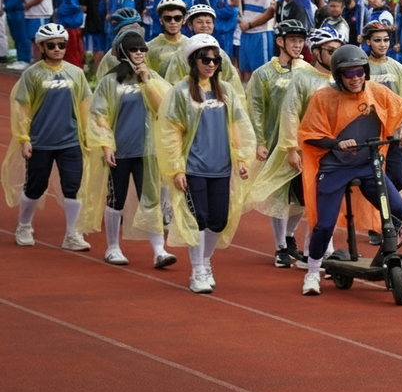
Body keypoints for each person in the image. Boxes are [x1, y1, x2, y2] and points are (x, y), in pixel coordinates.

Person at [296, 45, 402, 296]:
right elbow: (309, 135)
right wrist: (336, 143)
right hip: (334, 167)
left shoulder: (377, 92)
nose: (356, 78)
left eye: (360, 72)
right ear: (338, 76)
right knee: (324, 224)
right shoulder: (323, 97)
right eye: (349, 74)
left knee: (398, 209)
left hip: (368, 164)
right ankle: (312, 271)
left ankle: (385, 252)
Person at [157, 34, 255, 293]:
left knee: (218, 221)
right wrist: (177, 168)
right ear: (194, 61)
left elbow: (239, 125)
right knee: (197, 220)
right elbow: (170, 132)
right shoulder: (180, 92)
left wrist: (243, 158)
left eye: (215, 59)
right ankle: (197, 270)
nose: (211, 63)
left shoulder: (227, 91)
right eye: (205, 59)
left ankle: (205, 261)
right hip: (193, 168)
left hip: (221, 167)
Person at [75, 30, 177, 268]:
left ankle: (159, 251)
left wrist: (146, 81)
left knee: (150, 200)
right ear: (124, 53)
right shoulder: (110, 82)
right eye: (134, 49)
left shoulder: (152, 78)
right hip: (119, 152)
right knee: (116, 199)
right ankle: (112, 247)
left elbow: (165, 109)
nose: (139, 53)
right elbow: (99, 115)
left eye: (142, 49)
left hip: (147, 153)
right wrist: (106, 145)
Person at [2, 23, 93, 250]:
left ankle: (72, 234)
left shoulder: (76, 73)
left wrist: (88, 136)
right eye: (51, 45)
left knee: (73, 187)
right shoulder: (32, 75)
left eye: (61, 44)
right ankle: (24, 226)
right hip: (40, 142)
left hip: (70, 141)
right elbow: (21, 109)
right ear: (42, 47)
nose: (57, 48)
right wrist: (24, 139)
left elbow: (85, 106)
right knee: (35, 187)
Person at [246, 19, 312, 267]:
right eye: (293, 40)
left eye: (301, 40)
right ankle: (280, 247)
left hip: (303, 145)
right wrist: (259, 142)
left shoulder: (307, 70)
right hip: (276, 145)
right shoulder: (263, 74)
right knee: (278, 197)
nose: (298, 44)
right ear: (280, 42)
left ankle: (289, 236)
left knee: (300, 197)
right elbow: (255, 110)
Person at [363, 19, 402, 195]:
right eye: (377, 40)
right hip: (370, 136)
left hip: (395, 135)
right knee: (373, 182)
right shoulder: (361, 68)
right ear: (368, 42)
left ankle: (393, 221)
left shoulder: (397, 68)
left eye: (386, 40)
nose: (382, 44)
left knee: (398, 180)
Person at [161, 4, 245, 97]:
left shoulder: (221, 54)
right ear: (190, 24)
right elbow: (172, 85)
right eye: (199, 22)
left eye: (208, 22)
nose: (205, 26)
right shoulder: (181, 54)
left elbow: (234, 85)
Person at [233, 0, 276, 82]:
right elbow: (233, 2)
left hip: (260, 33)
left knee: (262, 71)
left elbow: (268, 13)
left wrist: (249, 25)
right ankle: (248, 96)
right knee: (245, 69)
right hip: (246, 34)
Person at [146, 0, 189, 78]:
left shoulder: (191, 45)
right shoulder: (151, 47)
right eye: (167, 18)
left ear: (184, 20)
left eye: (177, 18)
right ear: (161, 20)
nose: (173, 22)